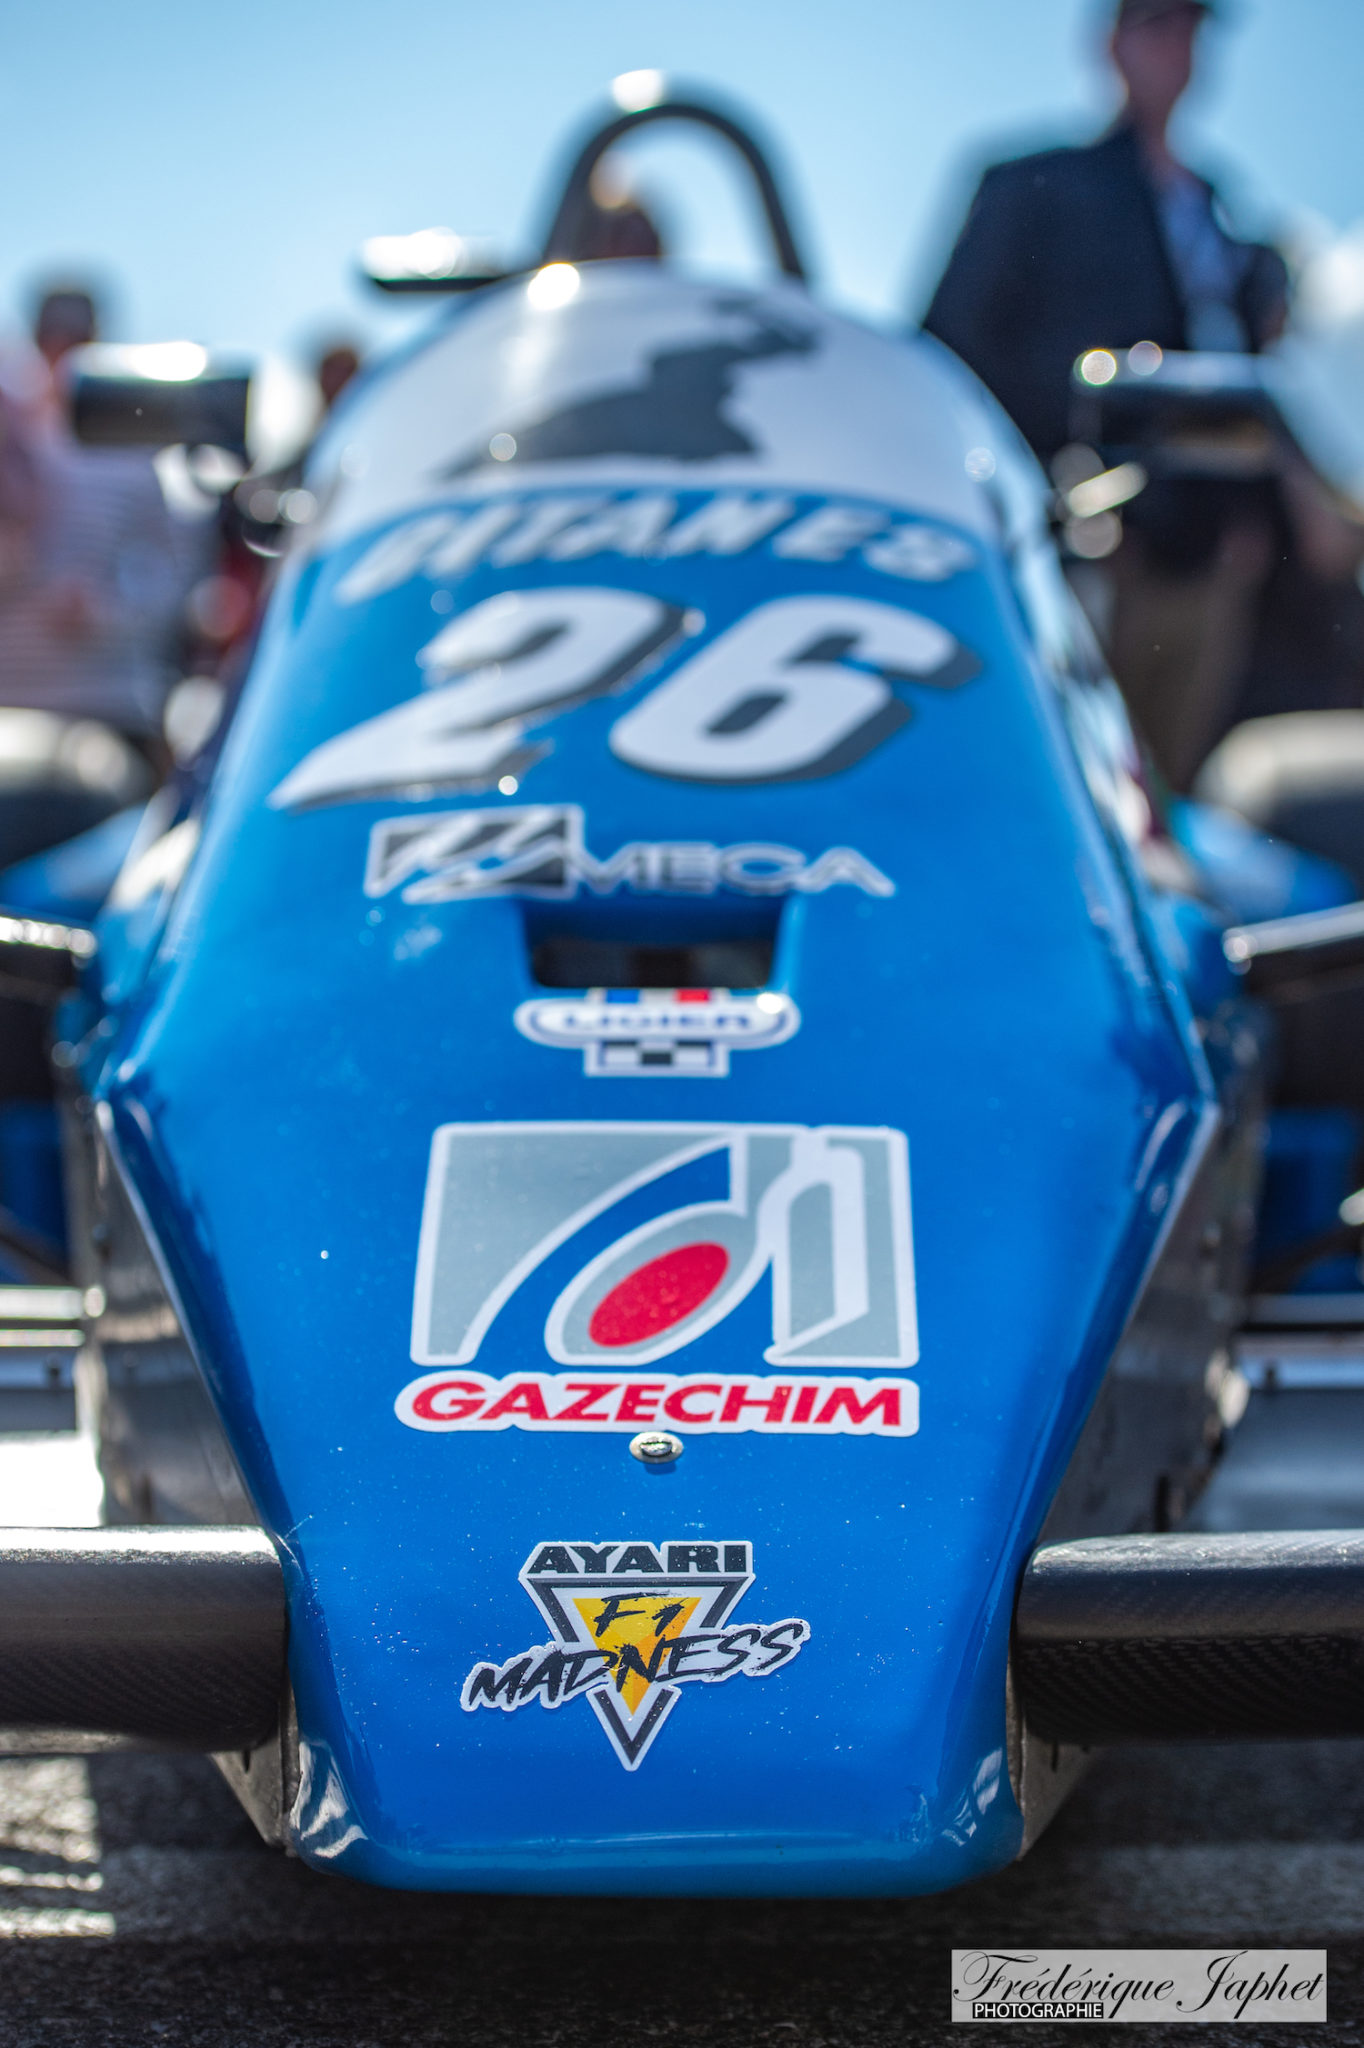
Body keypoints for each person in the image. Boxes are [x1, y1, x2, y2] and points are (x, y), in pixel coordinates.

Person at [923, 0, 1287, 466]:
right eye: (1159, 24)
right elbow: (945, 353)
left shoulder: (1224, 213)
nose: (1177, 46)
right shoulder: (1034, 186)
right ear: (1115, 44)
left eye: (1190, 28)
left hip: (1227, 490)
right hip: (1072, 486)